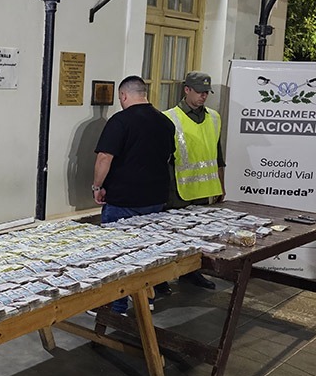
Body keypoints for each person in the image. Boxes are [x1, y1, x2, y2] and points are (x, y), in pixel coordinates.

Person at [92, 76, 176, 313]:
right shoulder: (165, 122)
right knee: (146, 251)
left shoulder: (120, 121)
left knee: (115, 252)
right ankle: (145, 299)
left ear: (124, 95)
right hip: (155, 198)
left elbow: (104, 157)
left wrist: (97, 187)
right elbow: (168, 157)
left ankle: (115, 304)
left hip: (123, 199)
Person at [163, 71, 225, 290]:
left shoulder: (214, 117)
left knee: (198, 233)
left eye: (206, 92)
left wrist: (221, 184)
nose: (203, 96)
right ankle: (161, 278)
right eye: (199, 92)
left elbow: (217, 154)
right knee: (171, 235)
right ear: (187, 90)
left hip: (203, 189)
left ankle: (191, 272)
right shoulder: (170, 118)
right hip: (177, 188)